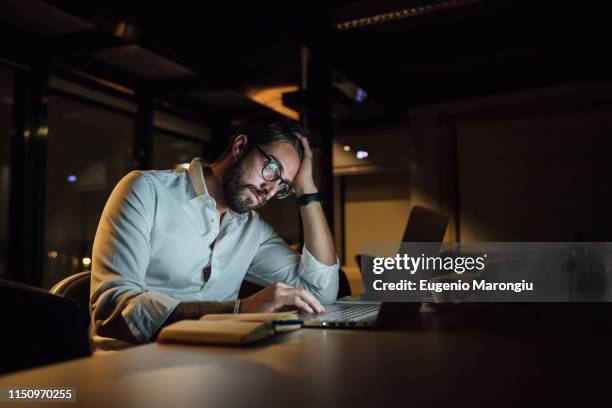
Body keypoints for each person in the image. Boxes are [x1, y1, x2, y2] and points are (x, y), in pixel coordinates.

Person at [90, 118, 339, 350]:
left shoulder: (254, 231)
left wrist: (307, 191)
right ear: (240, 146)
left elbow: (320, 292)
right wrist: (237, 311)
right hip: (134, 366)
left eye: (284, 185)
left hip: (218, 365)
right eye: (272, 168)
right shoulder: (146, 191)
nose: (271, 190)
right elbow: (112, 308)